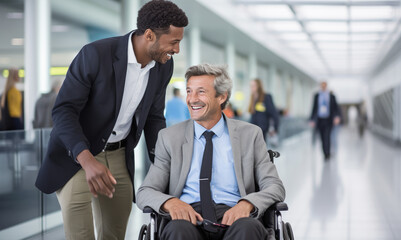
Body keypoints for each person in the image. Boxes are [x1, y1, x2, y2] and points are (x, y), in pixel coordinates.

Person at [35, 1, 188, 239]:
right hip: (77, 156)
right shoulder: (95, 54)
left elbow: (155, 118)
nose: (177, 50)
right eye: (174, 42)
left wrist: (165, 166)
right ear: (149, 35)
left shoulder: (162, 67)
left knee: (115, 233)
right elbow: (63, 111)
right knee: (81, 235)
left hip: (119, 155)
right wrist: (86, 160)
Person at [137, 64, 285, 240]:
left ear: (221, 97)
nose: (192, 99)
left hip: (236, 216)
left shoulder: (250, 135)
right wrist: (171, 202)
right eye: (189, 91)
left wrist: (248, 204)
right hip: (188, 217)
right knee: (177, 231)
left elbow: (275, 186)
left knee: (248, 229)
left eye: (201, 92)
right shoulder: (169, 137)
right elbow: (145, 191)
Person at [309, 81, 341, 160]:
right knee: (322, 137)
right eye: (322, 86)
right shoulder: (317, 96)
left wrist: (337, 117)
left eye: (324, 86)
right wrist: (312, 119)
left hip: (328, 120)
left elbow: (335, 108)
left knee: (327, 136)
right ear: (320, 86)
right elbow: (314, 108)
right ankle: (325, 153)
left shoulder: (331, 96)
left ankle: (327, 153)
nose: (323, 87)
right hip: (319, 120)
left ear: (326, 86)